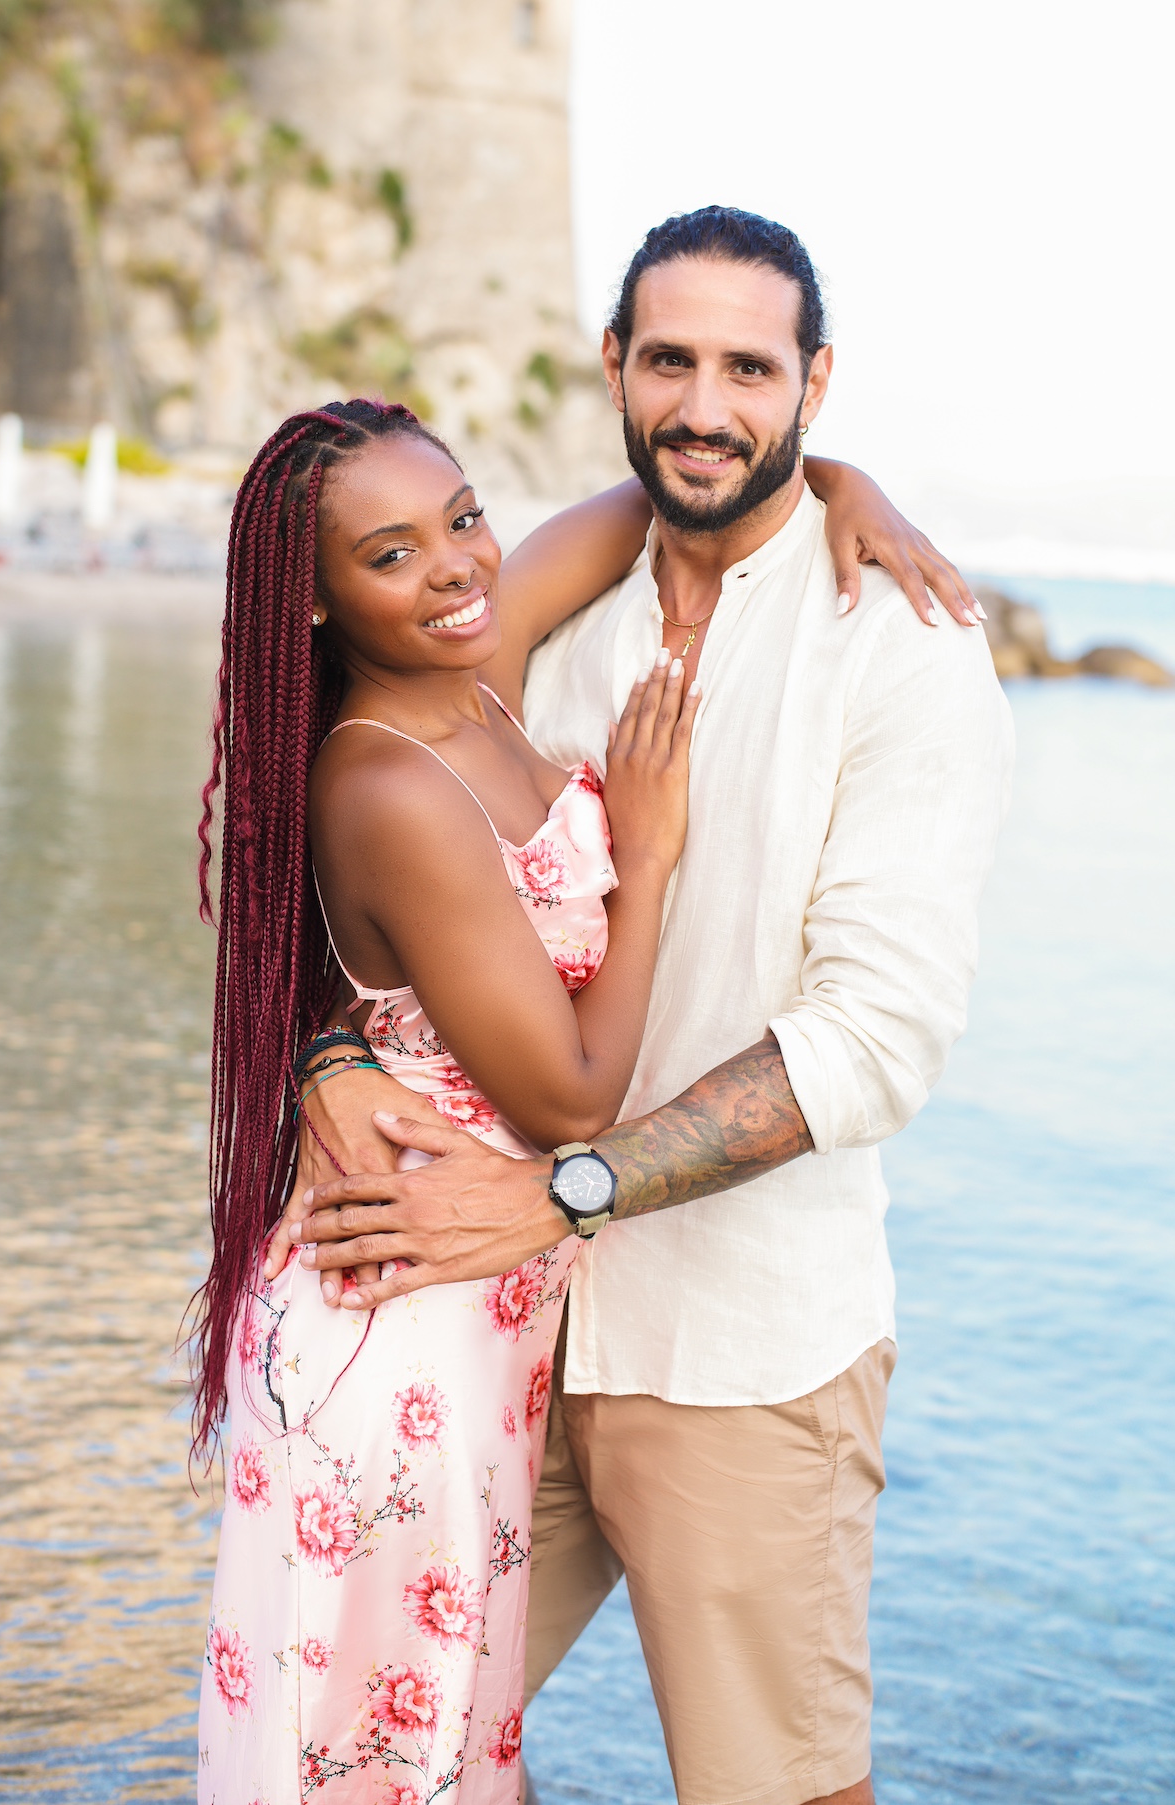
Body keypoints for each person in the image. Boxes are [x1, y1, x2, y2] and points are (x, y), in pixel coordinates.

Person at [279, 207, 1015, 1805]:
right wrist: (326, 1049)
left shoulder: (902, 649)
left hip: (738, 1343)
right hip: (489, 1332)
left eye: (751, 367)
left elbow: (872, 1043)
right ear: (614, 364)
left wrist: (561, 1191)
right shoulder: (539, 629)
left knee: (776, 1788)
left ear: (814, 383)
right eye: (669, 357)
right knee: (381, 1760)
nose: (704, 402)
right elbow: (336, 841)